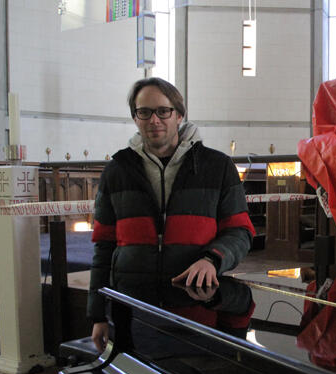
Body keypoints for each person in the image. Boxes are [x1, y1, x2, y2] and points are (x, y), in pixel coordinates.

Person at [88, 77, 254, 351]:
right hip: (133, 310)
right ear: (135, 118)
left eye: (163, 111)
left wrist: (212, 260)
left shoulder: (218, 166)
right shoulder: (117, 171)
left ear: (179, 115)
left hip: (197, 308)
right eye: (144, 112)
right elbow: (103, 247)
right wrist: (97, 315)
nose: (154, 120)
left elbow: (240, 231)